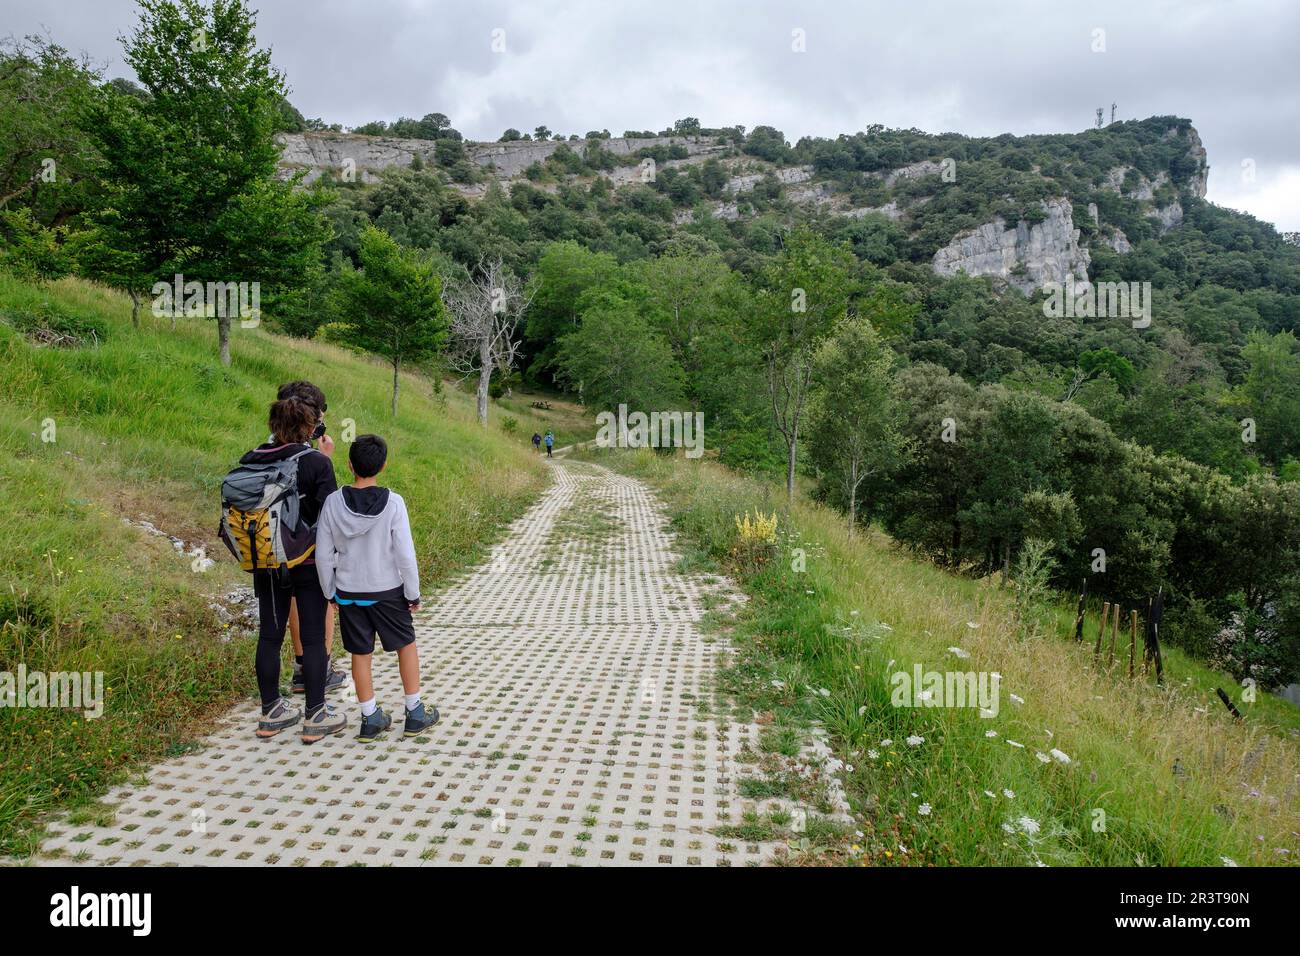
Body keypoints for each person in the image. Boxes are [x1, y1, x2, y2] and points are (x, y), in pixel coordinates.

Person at [315, 434, 439, 741]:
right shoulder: (394, 502)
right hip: (388, 591)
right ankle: (414, 712)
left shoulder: (333, 502)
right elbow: (405, 555)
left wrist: (329, 592)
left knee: (360, 653)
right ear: (383, 466)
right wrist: (413, 593)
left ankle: (370, 718)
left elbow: (322, 554)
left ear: (349, 465)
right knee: (406, 645)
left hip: (349, 592)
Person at [246, 397, 347, 743]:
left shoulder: (253, 458)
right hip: (306, 561)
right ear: (309, 427)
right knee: (314, 638)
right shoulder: (317, 462)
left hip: (267, 560)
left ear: (273, 425)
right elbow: (330, 514)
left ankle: (271, 711)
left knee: (270, 636)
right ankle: (316, 714)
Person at [275, 382, 346, 696]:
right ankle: (322, 670)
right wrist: (325, 459)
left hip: (274, 547)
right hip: (310, 548)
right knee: (322, 607)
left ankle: (301, 667)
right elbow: (328, 508)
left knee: (289, 604)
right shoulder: (314, 459)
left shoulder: (266, 450)